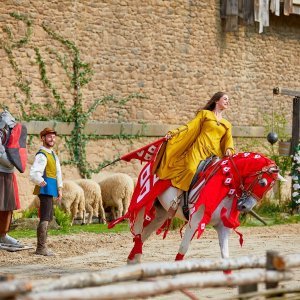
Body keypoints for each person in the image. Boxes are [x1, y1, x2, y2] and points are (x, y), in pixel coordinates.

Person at [156, 91, 235, 193]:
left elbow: (229, 140)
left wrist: (229, 149)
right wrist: (174, 133)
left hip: (214, 154)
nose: (227, 101)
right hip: (198, 149)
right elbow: (190, 126)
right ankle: (179, 196)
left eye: (228, 100)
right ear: (216, 100)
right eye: (225, 99)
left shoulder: (227, 124)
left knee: (217, 178)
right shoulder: (205, 114)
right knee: (191, 169)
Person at [30, 127, 63, 256]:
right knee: (45, 217)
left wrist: (59, 188)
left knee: (48, 217)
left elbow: (58, 172)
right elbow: (34, 173)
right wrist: (40, 180)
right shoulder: (41, 155)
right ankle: (41, 247)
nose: (52, 139)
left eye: (53, 137)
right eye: (49, 137)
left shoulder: (53, 154)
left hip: (50, 189)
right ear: (43, 138)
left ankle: (43, 246)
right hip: (44, 189)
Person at [0, 111, 24, 246]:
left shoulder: (12, 133)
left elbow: (16, 149)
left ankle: (3, 234)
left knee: (8, 206)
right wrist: (10, 162)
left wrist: (14, 161)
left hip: (8, 174)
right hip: (0, 172)